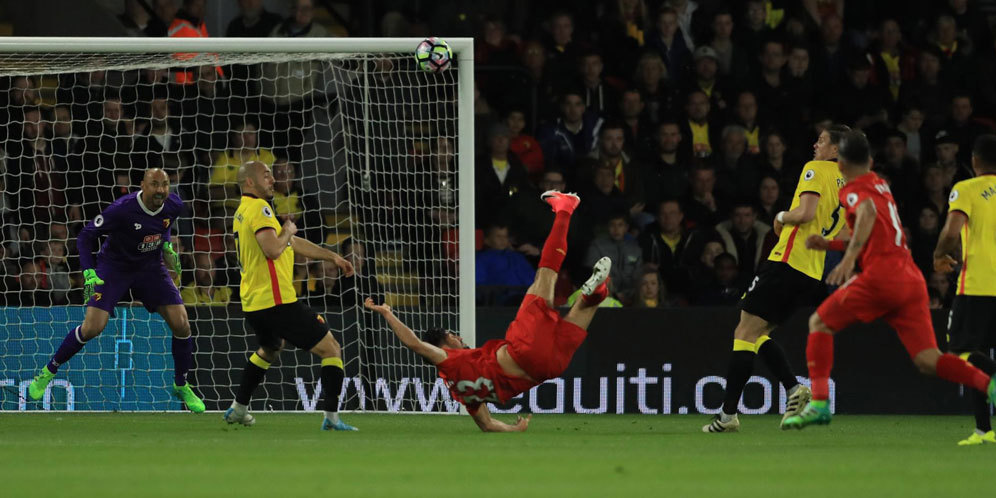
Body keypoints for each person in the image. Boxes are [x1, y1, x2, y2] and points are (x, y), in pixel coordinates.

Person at [784, 131, 996, 430]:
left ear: (841, 165)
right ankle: (989, 385)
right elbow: (870, 231)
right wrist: (830, 244)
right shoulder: (880, 184)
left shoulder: (852, 190)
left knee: (819, 323)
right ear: (870, 161)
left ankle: (819, 403)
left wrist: (846, 261)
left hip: (881, 278)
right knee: (928, 359)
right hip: (911, 280)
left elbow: (867, 216)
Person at [364, 191, 612, 432]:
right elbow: (416, 344)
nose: (459, 338)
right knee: (544, 277)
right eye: (452, 335)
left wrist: (515, 430)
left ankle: (598, 291)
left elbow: (488, 424)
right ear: (444, 344)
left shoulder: (462, 393)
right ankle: (565, 209)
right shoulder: (450, 361)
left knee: (585, 307)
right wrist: (388, 313)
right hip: (524, 350)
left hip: (549, 369)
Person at [704, 125, 849, 433]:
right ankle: (791, 390)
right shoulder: (848, 183)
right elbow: (846, 232)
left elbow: (806, 213)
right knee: (755, 333)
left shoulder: (816, 169)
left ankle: (729, 415)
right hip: (811, 271)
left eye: (822, 141)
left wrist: (781, 217)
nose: (815, 145)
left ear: (835, 150)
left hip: (787, 261)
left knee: (745, 331)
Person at [26, 169, 204, 413]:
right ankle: (48, 371)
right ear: (143, 185)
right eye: (155, 184)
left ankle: (181, 384)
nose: (161, 190)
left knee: (182, 323)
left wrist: (166, 246)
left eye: (165, 185)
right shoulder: (122, 208)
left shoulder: (173, 204)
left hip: (150, 268)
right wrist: (89, 271)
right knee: (92, 328)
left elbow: (164, 225)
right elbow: (86, 236)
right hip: (114, 268)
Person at [223, 161, 357, 431]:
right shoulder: (260, 208)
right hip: (277, 301)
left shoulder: (244, 210)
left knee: (271, 348)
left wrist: (331, 255)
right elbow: (274, 249)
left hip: (254, 302)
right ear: (250, 182)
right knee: (331, 348)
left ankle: (239, 408)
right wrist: (287, 230)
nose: (272, 179)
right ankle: (331, 418)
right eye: (266, 175)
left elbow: (292, 243)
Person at [932, 134, 996, 445]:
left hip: (978, 286)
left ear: (974, 160)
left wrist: (938, 254)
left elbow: (951, 230)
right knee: (977, 356)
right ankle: (984, 430)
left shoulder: (967, 189)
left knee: (961, 352)